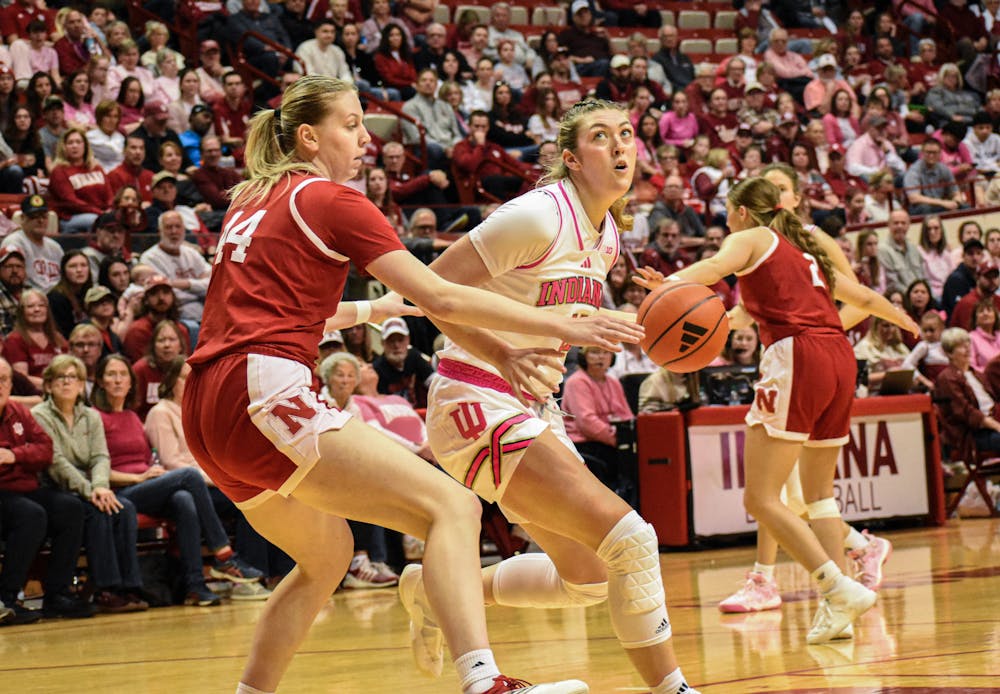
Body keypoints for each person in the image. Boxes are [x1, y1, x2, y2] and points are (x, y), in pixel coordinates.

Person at [181, 76, 638, 694]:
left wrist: (376, 312)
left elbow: (290, 309)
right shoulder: (333, 200)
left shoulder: (254, 199)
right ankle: (485, 683)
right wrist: (558, 323)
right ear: (310, 136)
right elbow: (444, 293)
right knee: (452, 506)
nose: (366, 137)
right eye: (351, 124)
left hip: (206, 403)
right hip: (267, 389)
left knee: (325, 559)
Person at [401, 97, 700, 694]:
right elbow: (428, 293)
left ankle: (434, 590)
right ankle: (673, 689)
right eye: (600, 136)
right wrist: (505, 353)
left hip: (535, 405)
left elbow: (555, 313)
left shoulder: (609, 233)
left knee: (587, 578)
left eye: (626, 134)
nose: (620, 146)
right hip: (475, 394)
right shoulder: (537, 217)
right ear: (570, 157)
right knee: (633, 540)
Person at [637, 176, 919, 643]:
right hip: (839, 356)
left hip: (797, 356)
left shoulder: (748, 237)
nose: (725, 218)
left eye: (728, 209)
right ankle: (838, 607)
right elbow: (863, 299)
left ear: (745, 211)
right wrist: (903, 319)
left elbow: (712, 267)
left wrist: (667, 283)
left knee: (761, 498)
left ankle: (837, 587)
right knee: (819, 497)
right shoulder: (801, 252)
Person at [93, 354, 264, 606]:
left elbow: (148, 458)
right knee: (189, 476)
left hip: (148, 485)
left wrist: (150, 472)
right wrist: (138, 476)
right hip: (120, 491)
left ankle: (194, 586)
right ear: (99, 381)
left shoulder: (131, 417)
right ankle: (224, 555)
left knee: (184, 500)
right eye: (111, 375)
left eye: (123, 375)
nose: (118, 380)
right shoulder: (96, 417)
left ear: (131, 382)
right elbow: (97, 467)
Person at [32, 355, 149, 614]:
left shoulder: (89, 416)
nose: (66, 382)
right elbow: (56, 462)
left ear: (81, 384)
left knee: (124, 507)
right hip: (52, 487)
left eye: (72, 377)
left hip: (90, 486)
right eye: (60, 378)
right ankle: (104, 589)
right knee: (96, 510)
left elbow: (100, 456)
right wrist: (91, 491)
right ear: (48, 385)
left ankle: (128, 585)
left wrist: (99, 486)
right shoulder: (38, 415)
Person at [0, 355, 93, 624]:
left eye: (5, 379)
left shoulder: (19, 412)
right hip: (5, 493)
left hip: (24, 487)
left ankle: (57, 594)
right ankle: (7, 599)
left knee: (70, 508)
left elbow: (45, 450)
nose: (1, 384)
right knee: (31, 514)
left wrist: (14, 456)